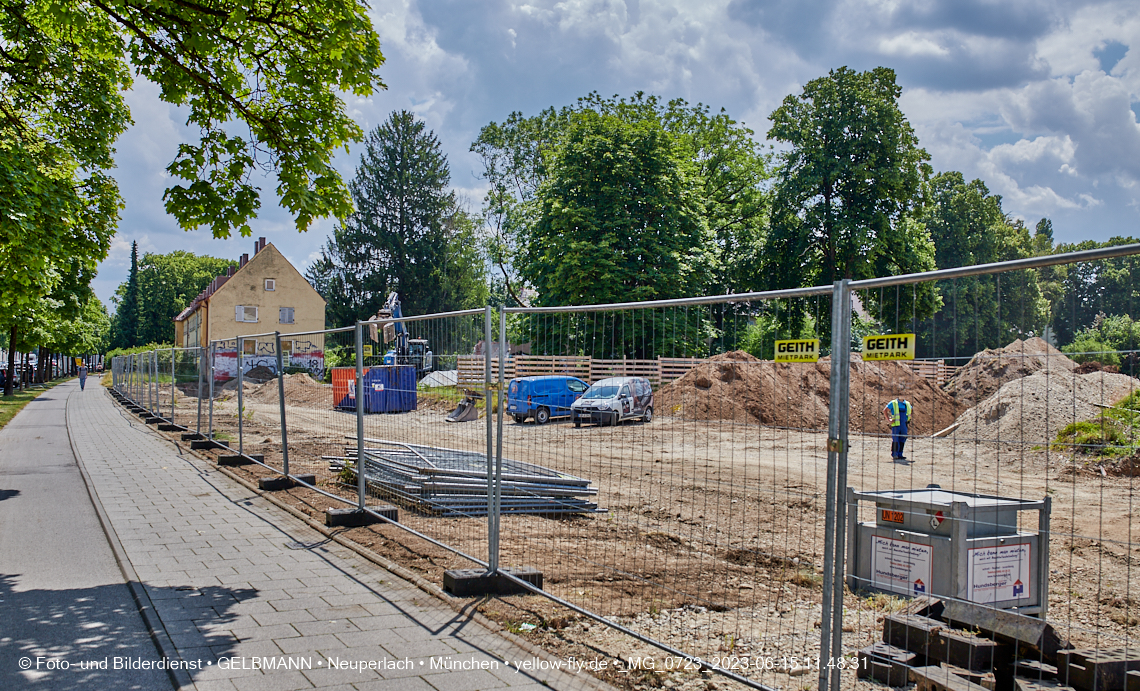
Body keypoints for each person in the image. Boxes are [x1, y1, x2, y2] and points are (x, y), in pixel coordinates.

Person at [883, 395, 913, 460]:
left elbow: (911, 410)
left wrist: (909, 418)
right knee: (895, 440)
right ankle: (895, 454)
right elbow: (885, 410)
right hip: (896, 425)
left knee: (903, 439)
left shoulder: (907, 404)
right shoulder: (893, 403)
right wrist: (889, 420)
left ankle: (900, 454)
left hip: (904, 425)